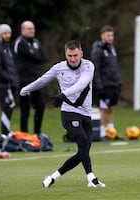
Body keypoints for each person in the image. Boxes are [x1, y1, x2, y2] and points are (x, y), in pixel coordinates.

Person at [20, 40, 106, 188]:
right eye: (69, 56)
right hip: (69, 113)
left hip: (86, 113)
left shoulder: (88, 66)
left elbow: (82, 84)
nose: (72, 59)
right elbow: (43, 80)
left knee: (82, 152)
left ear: (81, 54)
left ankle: (52, 177)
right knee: (83, 140)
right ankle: (91, 178)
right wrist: (25, 89)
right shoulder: (59, 68)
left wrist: (63, 94)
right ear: (65, 54)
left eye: (75, 55)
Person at [14, 20, 47, 135]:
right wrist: (35, 56)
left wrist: (35, 55)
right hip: (24, 81)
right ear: (23, 30)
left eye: (33, 28)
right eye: (29, 29)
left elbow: (42, 57)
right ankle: (24, 134)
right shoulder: (20, 42)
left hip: (36, 80)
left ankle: (37, 133)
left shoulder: (36, 42)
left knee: (40, 107)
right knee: (25, 109)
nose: (32, 30)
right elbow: (33, 57)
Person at [90, 25, 121, 139]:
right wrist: (98, 85)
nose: (110, 37)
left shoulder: (111, 48)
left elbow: (114, 66)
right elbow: (95, 69)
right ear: (102, 36)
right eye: (108, 35)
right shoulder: (97, 50)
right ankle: (101, 132)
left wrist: (118, 81)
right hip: (104, 85)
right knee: (103, 108)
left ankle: (111, 130)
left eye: (112, 35)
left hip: (113, 84)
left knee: (111, 108)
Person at [0, 24, 18, 135]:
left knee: (10, 107)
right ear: (0, 34)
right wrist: (9, 79)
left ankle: (6, 131)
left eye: (9, 33)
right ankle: (4, 134)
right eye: (5, 33)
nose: (7, 36)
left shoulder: (6, 47)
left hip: (10, 85)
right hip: (3, 85)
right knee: (6, 108)